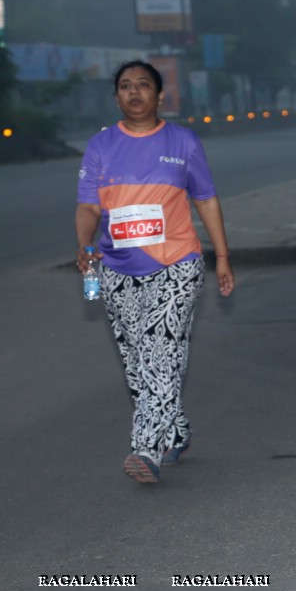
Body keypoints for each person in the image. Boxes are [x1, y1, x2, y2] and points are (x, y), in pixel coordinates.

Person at [74, 60, 234, 484]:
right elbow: (89, 207)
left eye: (144, 85)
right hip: (116, 269)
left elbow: (207, 199)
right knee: (137, 361)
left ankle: (147, 448)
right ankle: (176, 431)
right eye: (126, 86)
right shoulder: (101, 145)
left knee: (161, 355)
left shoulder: (183, 142)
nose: (135, 92)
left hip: (176, 264)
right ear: (116, 97)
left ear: (160, 95)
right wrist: (86, 245)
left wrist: (222, 255)